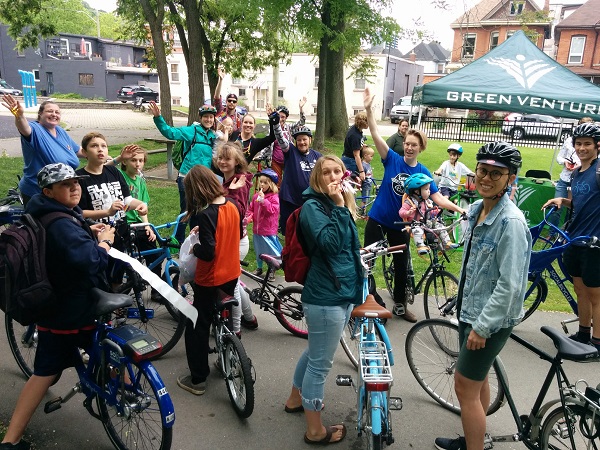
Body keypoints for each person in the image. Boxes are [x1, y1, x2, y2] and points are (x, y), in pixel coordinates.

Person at [0, 163, 115, 450]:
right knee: (47, 372)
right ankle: (10, 441)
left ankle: (11, 441)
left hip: (58, 304)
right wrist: (104, 243)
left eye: (76, 182)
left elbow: (62, 243)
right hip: (71, 310)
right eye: (66, 185)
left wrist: (86, 228)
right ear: (48, 191)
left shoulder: (48, 213)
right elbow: (90, 261)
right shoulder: (62, 222)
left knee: (49, 370)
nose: (75, 187)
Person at [435, 142, 531, 450]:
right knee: (475, 385)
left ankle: (473, 446)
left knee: (463, 387)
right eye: (482, 170)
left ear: (510, 179)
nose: (486, 178)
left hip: (488, 320)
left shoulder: (510, 223)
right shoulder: (476, 210)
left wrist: (482, 327)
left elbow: (510, 285)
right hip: (470, 310)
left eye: (496, 173)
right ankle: (478, 438)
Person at [362, 87, 464, 322]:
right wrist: (368, 109)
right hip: (378, 218)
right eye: (407, 143)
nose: (409, 147)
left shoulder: (422, 171)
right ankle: (367, 296)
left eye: (413, 145)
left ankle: (399, 305)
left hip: (402, 225)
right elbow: (376, 134)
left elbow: (436, 197)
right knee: (368, 261)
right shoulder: (392, 160)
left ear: (421, 148)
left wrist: (458, 209)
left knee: (401, 265)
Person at [284, 155, 362, 446]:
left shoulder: (336, 203)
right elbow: (330, 246)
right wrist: (341, 208)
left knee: (314, 352)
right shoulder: (313, 208)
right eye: (326, 172)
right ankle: (315, 431)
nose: (333, 177)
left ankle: (295, 398)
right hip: (326, 297)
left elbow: (350, 249)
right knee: (320, 364)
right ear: (316, 178)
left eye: (337, 171)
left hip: (340, 292)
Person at [177, 165, 242, 396]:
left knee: (198, 324)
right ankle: (226, 356)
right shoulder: (232, 206)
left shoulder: (205, 215)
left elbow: (209, 252)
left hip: (210, 277)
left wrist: (195, 246)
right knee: (221, 316)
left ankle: (197, 379)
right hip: (232, 272)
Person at [543, 123, 600, 353]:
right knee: (579, 288)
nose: (582, 148)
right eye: (578, 144)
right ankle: (584, 333)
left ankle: (597, 342)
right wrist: (562, 201)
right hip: (575, 239)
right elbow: (579, 203)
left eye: (587, 143)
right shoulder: (577, 173)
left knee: (596, 293)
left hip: (595, 242)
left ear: (597, 145)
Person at [148, 101, 217, 244]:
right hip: (186, 177)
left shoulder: (213, 136)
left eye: (211, 117)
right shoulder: (191, 131)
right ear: (200, 117)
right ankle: (178, 241)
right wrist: (158, 117)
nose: (208, 119)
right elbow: (169, 132)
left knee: (199, 211)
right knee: (186, 211)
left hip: (203, 180)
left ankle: (194, 240)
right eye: (206, 117)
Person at [1, 94, 81, 204]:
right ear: (40, 114)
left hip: (61, 190)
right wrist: (19, 116)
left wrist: (99, 154)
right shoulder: (35, 129)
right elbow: (24, 128)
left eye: (57, 112)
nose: (54, 114)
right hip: (37, 192)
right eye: (50, 111)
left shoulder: (60, 131)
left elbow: (77, 150)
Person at [215, 142, 258, 332]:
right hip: (231, 238)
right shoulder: (228, 179)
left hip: (236, 241)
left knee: (230, 286)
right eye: (220, 158)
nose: (223, 162)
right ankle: (250, 318)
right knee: (236, 284)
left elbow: (237, 212)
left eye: (227, 159)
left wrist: (229, 192)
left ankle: (236, 330)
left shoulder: (237, 183)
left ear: (237, 161)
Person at [117, 144, 162, 281]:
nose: (138, 164)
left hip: (137, 223)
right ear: (125, 161)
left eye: (141, 161)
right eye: (133, 160)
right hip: (122, 222)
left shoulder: (141, 181)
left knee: (151, 241)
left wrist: (147, 225)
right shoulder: (119, 176)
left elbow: (144, 205)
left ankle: (156, 285)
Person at [273, 125, 323, 234]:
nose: (301, 142)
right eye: (299, 140)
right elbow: (281, 139)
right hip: (290, 200)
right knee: (290, 231)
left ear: (310, 140)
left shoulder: (317, 156)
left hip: (310, 200)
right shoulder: (291, 151)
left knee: (307, 231)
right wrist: (275, 123)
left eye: (304, 139)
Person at [399, 173, 459, 255]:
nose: (429, 192)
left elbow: (430, 213)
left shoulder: (426, 201)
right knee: (417, 229)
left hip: (426, 222)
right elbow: (401, 213)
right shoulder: (410, 203)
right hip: (415, 223)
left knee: (439, 226)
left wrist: (435, 211)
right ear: (417, 191)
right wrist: (408, 212)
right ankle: (421, 246)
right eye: (426, 189)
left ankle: (447, 243)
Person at [549, 117, 589, 225]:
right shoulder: (569, 140)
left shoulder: (593, 145)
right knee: (556, 207)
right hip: (564, 178)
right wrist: (565, 162)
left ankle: (565, 234)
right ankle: (552, 234)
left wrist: (579, 165)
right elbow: (559, 157)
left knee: (572, 210)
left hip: (579, 179)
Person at [246, 168, 282, 281]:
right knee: (259, 249)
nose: (262, 184)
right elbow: (251, 209)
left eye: (265, 182)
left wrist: (263, 201)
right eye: (261, 181)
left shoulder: (274, 197)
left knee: (269, 250)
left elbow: (272, 210)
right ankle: (259, 267)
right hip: (257, 230)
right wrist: (249, 217)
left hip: (268, 230)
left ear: (271, 184)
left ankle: (272, 269)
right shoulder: (256, 196)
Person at [262, 99, 307, 184]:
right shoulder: (272, 129)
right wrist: (262, 156)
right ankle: (277, 197)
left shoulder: (289, 127)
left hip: (289, 160)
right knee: (276, 183)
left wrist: (301, 109)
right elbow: (267, 145)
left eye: (283, 117)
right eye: (279, 116)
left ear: (286, 118)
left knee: (290, 182)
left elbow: (302, 122)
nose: (281, 119)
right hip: (276, 161)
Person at [341, 112, 368, 183]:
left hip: (349, 159)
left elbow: (353, 145)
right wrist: (361, 171)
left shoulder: (356, 129)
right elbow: (356, 155)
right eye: (368, 121)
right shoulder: (355, 135)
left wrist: (361, 145)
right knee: (350, 185)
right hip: (350, 161)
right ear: (363, 122)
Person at [358, 145, 375, 216]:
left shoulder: (368, 164)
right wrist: (359, 185)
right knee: (365, 199)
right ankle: (362, 212)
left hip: (369, 184)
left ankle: (361, 210)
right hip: (365, 185)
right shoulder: (363, 165)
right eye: (371, 156)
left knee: (366, 199)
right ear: (365, 156)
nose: (372, 158)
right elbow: (361, 177)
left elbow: (370, 173)